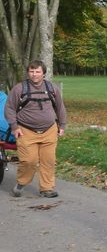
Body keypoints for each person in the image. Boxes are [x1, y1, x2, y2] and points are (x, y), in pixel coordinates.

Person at [4, 59, 67, 198]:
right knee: (29, 161)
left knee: (48, 161)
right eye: (31, 71)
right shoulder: (20, 88)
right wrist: (14, 127)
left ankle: (47, 189)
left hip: (49, 130)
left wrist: (62, 125)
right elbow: (9, 109)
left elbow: (60, 108)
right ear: (28, 73)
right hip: (26, 130)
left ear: (43, 73)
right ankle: (21, 183)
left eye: (37, 71)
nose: (34, 74)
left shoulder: (52, 88)